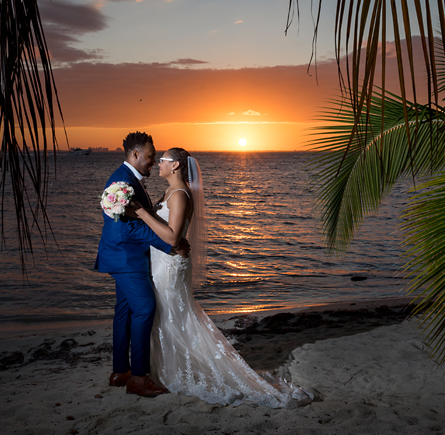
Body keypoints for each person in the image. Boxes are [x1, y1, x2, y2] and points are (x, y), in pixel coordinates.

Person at [133, 147, 312, 408]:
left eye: (163, 160)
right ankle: (164, 367)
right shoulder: (170, 191)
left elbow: (173, 237)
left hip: (170, 266)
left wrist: (141, 212)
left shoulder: (181, 194)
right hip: (163, 262)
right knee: (167, 315)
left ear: (175, 166)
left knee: (175, 315)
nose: (158, 163)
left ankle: (180, 370)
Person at [95, 132, 189, 398]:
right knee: (146, 308)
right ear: (134, 154)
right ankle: (138, 377)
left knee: (124, 312)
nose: (153, 161)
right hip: (127, 257)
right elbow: (134, 228)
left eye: (156, 158)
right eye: (150, 157)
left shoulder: (127, 180)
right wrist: (171, 245)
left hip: (122, 255)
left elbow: (139, 221)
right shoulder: (122, 182)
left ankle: (119, 372)